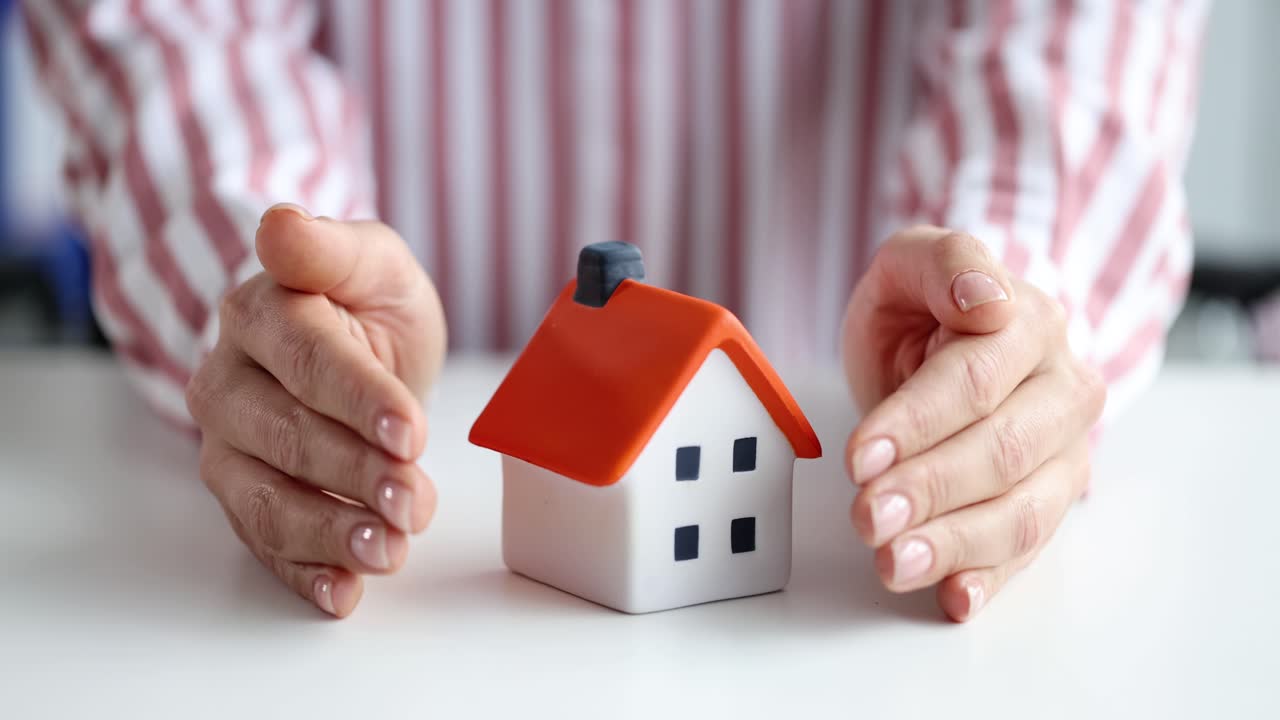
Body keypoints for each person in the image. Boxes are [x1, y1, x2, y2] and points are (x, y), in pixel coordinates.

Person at [24, 0, 1206, 621]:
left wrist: (1002, 293)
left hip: (868, 371)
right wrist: (284, 289)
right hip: (406, 455)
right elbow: (173, 29)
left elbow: (1082, 33)